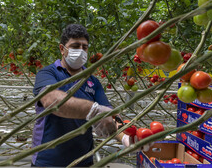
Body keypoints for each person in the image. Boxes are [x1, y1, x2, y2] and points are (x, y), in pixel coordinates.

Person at [31, 24, 138, 167]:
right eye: (75, 46)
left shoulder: (93, 81)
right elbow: (51, 100)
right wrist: (94, 110)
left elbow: (110, 115)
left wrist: (125, 138)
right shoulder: (48, 73)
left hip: (84, 161)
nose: (81, 50)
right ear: (62, 49)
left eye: (84, 47)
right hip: (48, 162)